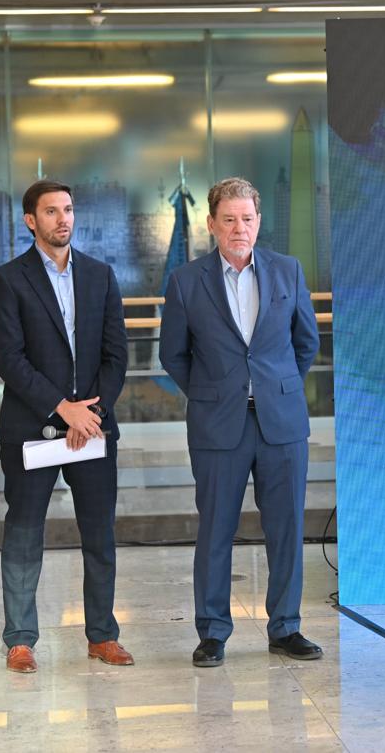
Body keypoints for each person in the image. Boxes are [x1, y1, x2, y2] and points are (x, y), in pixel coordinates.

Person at [160, 177, 321, 668]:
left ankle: (286, 627)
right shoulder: (186, 281)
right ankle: (212, 632)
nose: (239, 228)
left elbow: (306, 343)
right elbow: (173, 355)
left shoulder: (288, 271)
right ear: (211, 224)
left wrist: (275, 387)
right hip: (218, 424)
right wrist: (213, 392)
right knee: (215, 530)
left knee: (287, 529)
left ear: (258, 221)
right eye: (229, 219)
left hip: (281, 423)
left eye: (247, 219)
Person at [0, 179, 132, 673]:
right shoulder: (7, 280)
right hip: (31, 430)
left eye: (67, 209)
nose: (62, 218)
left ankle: (103, 636)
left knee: (100, 535)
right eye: (51, 211)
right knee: (24, 535)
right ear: (31, 221)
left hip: (93, 429)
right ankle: (20, 640)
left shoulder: (100, 275)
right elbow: (10, 359)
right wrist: (62, 409)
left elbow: (116, 355)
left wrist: (90, 415)